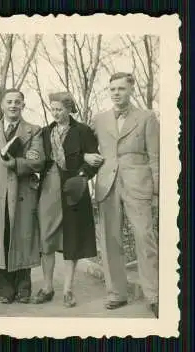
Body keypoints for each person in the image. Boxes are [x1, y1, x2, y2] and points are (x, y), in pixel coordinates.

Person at [85, 72, 159, 318]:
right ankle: (116, 293)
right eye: (112, 89)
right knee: (110, 240)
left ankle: (153, 294)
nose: (116, 93)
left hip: (138, 185)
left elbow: (156, 157)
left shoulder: (147, 117)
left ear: (131, 90)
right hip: (107, 184)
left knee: (144, 237)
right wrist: (87, 157)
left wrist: (157, 191)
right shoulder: (99, 119)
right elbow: (86, 147)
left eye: (121, 89)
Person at [31, 91, 101, 308]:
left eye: (59, 109)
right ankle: (47, 287)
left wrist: (82, 177)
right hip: (49, 188)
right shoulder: (45, 132)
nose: (55, 113)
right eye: (52, 109)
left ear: (69, 109)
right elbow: (38, 160)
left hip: (74, 188)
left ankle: (68, 290)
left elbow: (94, 160)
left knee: (72, 238)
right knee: (46, 238)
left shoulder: (83, 131)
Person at [0, 88, 44, 304]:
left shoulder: (34, 130)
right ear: (2, 105)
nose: (13, 105)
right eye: (9, 102)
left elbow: (38, 161)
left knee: (22, 238)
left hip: (22, 193)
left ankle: (24, 289)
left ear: (23, 105)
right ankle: (4, 290)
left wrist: (16, 163)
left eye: (18, 102)